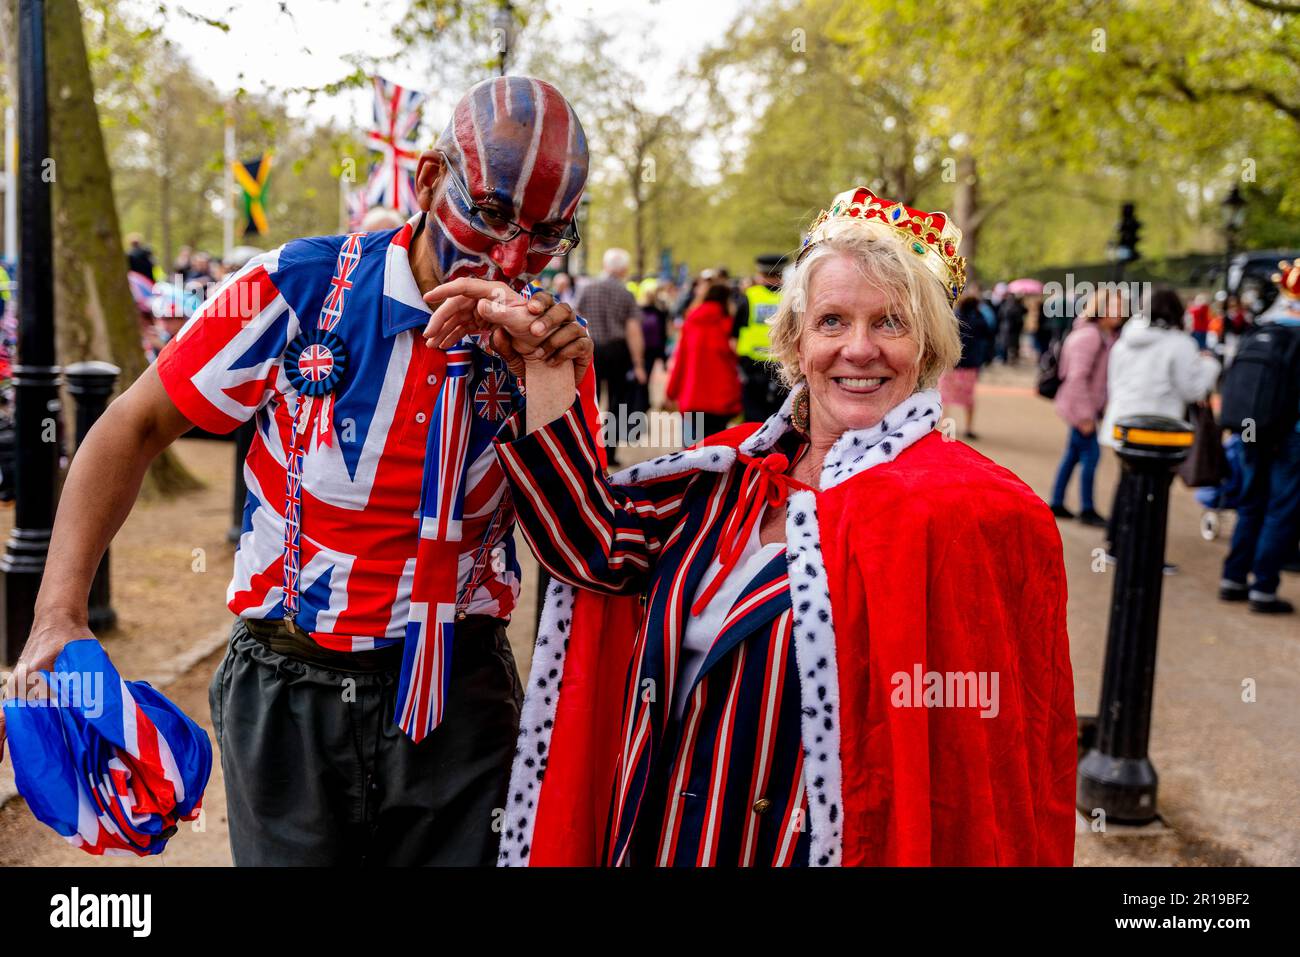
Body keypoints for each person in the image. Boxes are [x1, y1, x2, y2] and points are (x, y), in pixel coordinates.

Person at [0, 76, 598, 866]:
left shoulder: (553, 347)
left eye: (550, 233)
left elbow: (583, 547)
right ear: (425, 181)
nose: (516, 257)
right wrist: (57, 613)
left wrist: (550, 381)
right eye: (490, 213)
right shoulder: (296, 287)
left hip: (462, 703)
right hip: (289, 689)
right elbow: (134, 423)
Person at [469, 186, 1075, 867]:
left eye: (891, 323)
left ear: (929, 345)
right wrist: (546, 366)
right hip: (665, 838)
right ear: (793, 339)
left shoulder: (973, 509)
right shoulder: (730, 473)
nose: (859, 348)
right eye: (833, 321)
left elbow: (980, 777)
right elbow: (593, 548)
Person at [1101, 286, 1219, 566]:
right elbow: (1192, 390)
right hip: (1159, 428)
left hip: (1123, 423)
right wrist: (1211, 367)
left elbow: (1113, 380)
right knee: (1153, 493)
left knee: (1127, 483)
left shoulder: (1126, 339)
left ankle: (1117, 544)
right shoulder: (1179, 344)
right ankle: (1144, 555)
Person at [1219, 261, 1300, 614]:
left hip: (1251, 428)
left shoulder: (1262, 327)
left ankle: (1233, 577)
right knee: (1281, 509)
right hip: (1292, 434)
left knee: (1251, 503)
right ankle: (1263, 587)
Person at [1049, 289, 1125, 526]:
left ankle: (1058, 502)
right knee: (1091, 456)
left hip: (1084, 407)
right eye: (1116, 306)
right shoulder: (1091, 336)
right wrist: (1085, 416)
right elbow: (1077, 378)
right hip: (1081, 409)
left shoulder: (1100, 334)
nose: (1121, 312)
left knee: (1072, 455)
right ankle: (1087, 508)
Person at [575, 247, 646, 466]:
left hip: (590, 349)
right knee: (616, 403)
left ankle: (588, 451)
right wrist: (639, 363)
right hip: (618, 351)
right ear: (623, 269)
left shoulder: (588, 289)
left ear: (606, 266)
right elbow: (633, 329)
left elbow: (576, 320)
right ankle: (609, 452)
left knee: (588, 400)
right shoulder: (625, 293)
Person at [666, 281, 742, 444]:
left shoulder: (691, 322)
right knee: (716, 448)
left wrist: (671, 391)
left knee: (690, 453)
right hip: (721, 397)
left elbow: (680, 361)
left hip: (692, 395)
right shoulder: (728, 325)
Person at [734, 253, 787, 422]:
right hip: (783, 366)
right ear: (781, 273)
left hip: (752, 367)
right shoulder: (790, 297)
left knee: (753, 420)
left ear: (760, 273)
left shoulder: (748, 297)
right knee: (779, 419)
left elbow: (734, 334)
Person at [940, 287, 996, 439]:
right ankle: (969, 427)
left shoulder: (954, 318)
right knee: (968, 399)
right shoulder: (980, 320)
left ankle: (947, 429)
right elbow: (989, 335)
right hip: (971, 365)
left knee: (946, 399)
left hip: (952, 364)